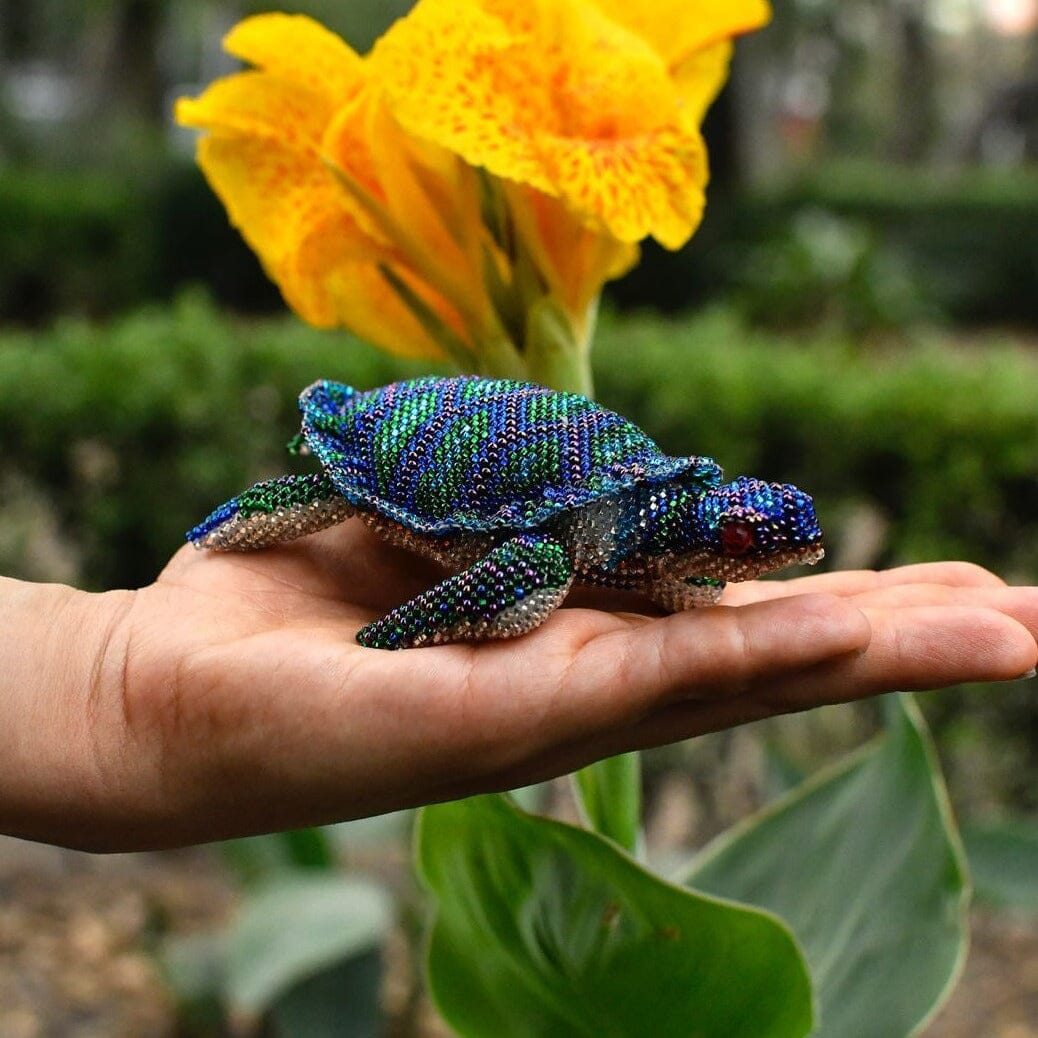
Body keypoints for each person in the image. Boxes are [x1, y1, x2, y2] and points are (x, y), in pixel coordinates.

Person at [2, 519, 1035, 852]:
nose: (770, 565)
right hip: (416, 453)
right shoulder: (570, 543)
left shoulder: (670, 553)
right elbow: (535, 565)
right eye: (739, 548)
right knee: (530, 572)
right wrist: (105, 669)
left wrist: (105, 670)